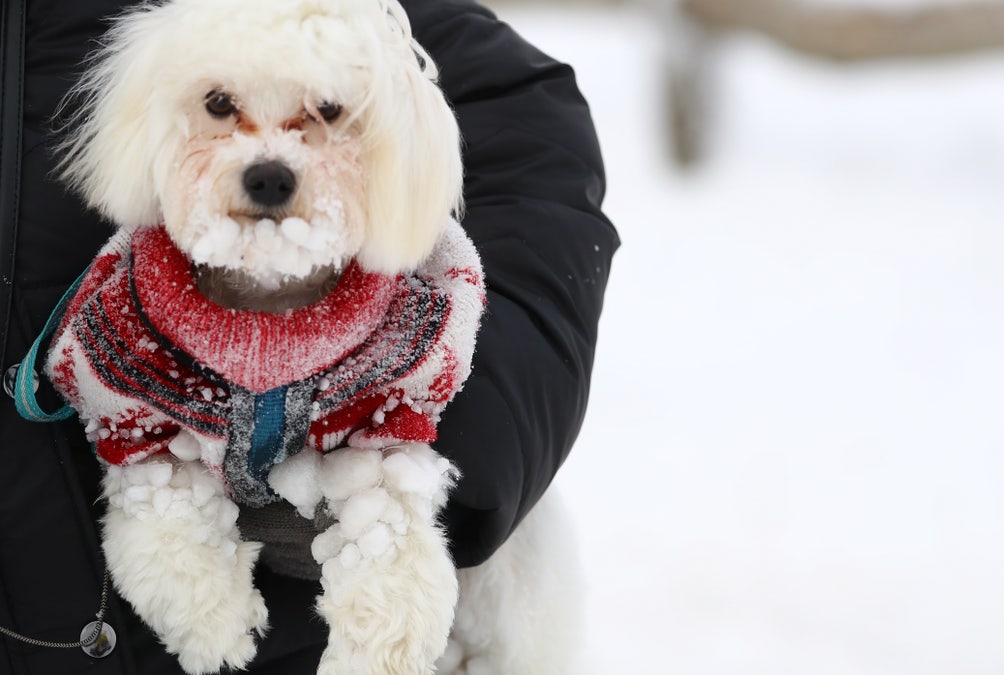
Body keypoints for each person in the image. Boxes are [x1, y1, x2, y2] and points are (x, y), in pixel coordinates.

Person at [0, 0, 618, 673]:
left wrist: (465, 451)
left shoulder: (411, 334)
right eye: (220, 106)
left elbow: (522, 127)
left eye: (321, 113)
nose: (269, 161)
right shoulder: (123, 332)